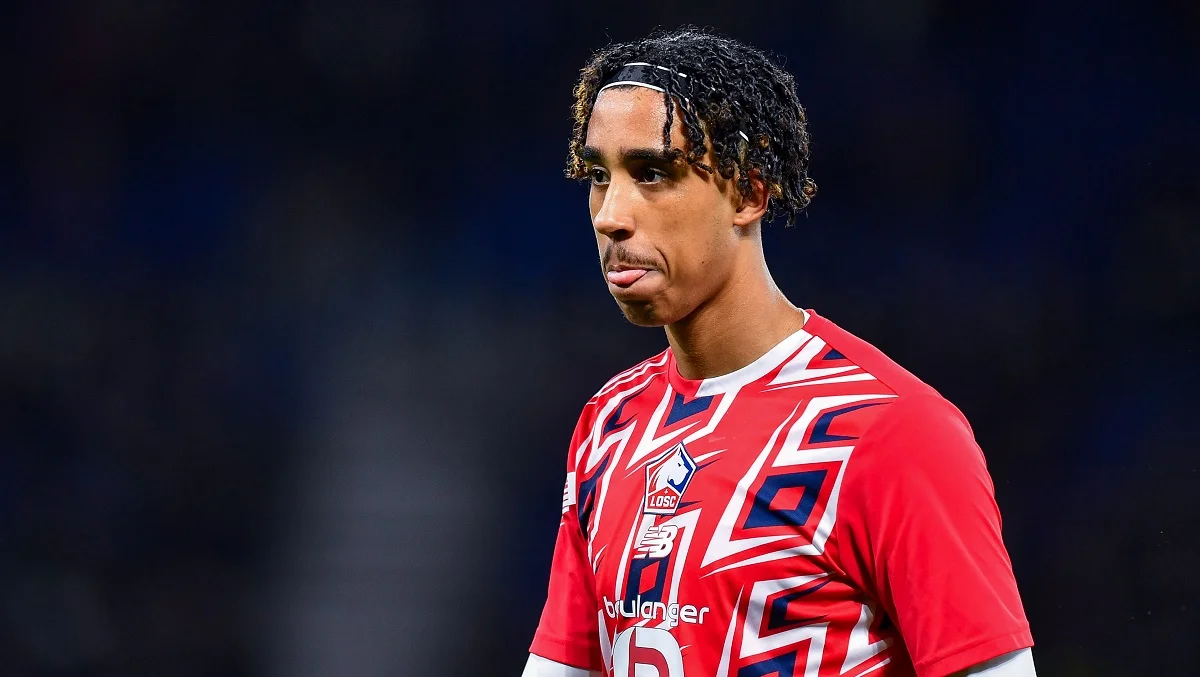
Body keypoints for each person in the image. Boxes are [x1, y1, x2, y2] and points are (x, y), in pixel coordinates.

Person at [523, 27, 1035, 677]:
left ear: (749, 191)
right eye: (599, 176)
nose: (610, 215)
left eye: (653, 173)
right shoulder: (609, 425)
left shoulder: (892, 432)